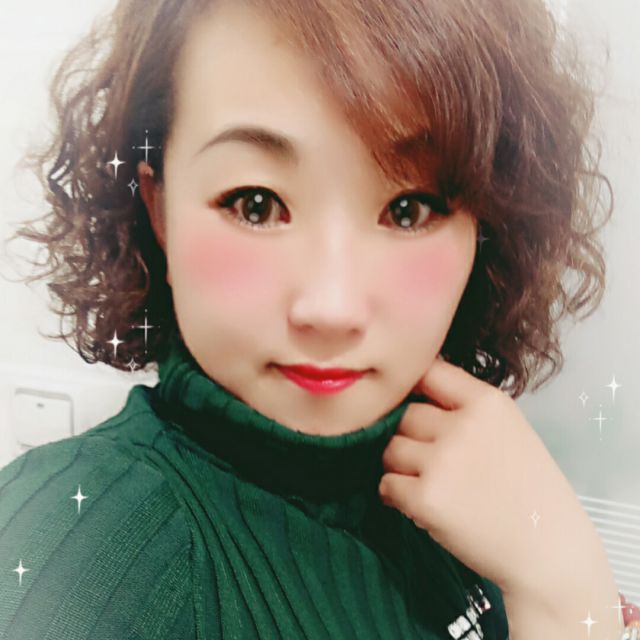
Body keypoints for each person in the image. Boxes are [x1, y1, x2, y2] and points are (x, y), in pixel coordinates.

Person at [1, 0, 635, 638]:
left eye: (409, 209)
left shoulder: (477, 471)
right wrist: (566, 602)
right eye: (255, 204)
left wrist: (551, 568)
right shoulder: (80, 547)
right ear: (159, 210)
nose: (332, 310)